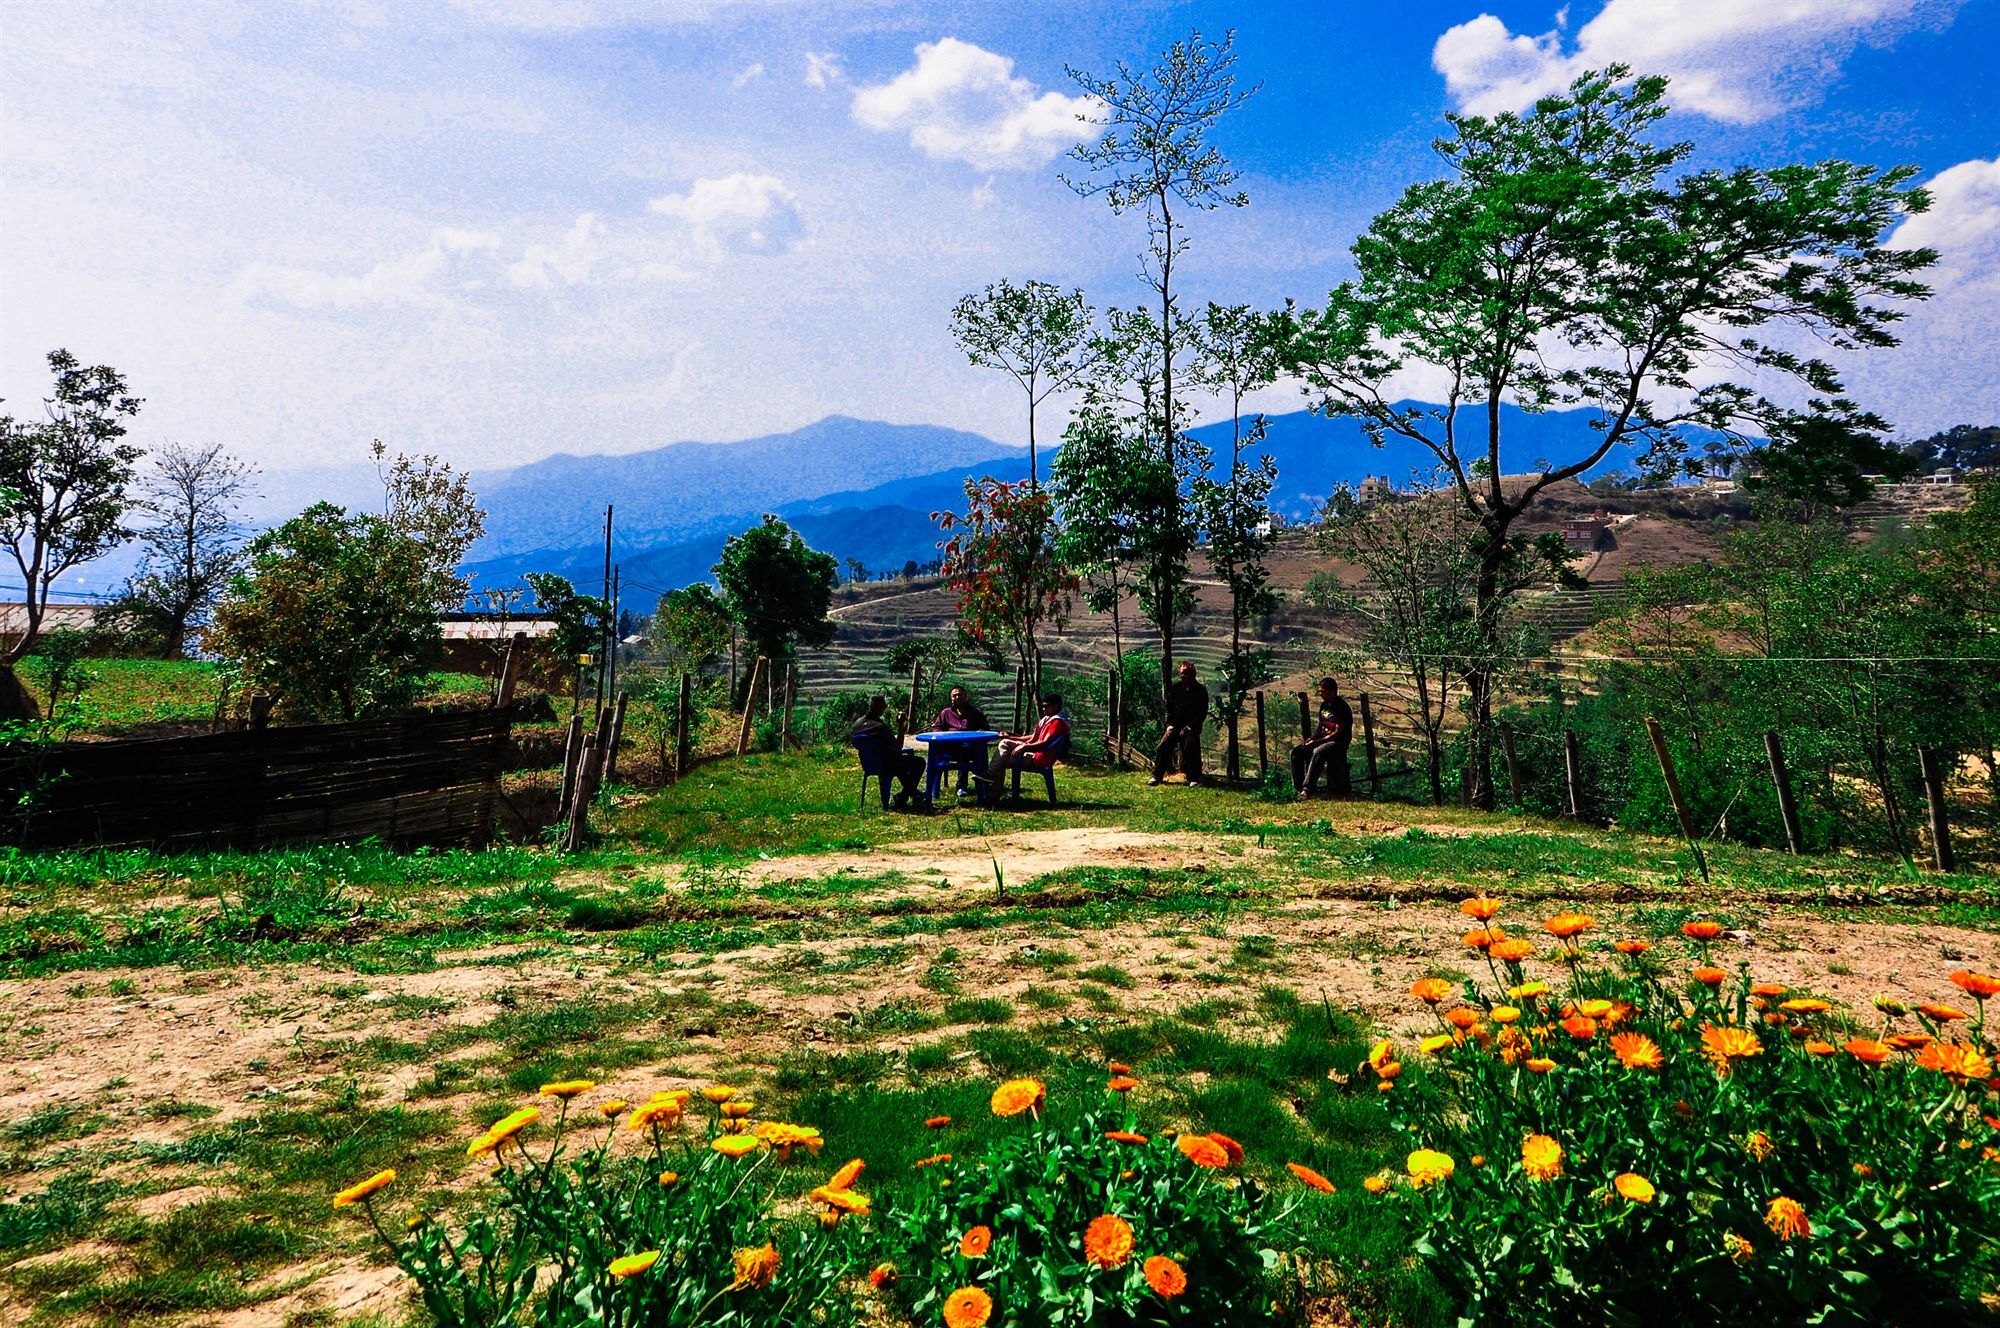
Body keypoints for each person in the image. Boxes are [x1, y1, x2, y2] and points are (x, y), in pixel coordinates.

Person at [983, 693, 1069, 796]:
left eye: (1047, 706)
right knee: (1005, 743)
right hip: (1034, 750)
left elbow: (1045, 743)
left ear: (1056, 706)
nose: (1043, 709)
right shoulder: (1046, 720)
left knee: (1002, 759)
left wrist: (1025, 747)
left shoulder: (1057, 722)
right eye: (1043, 706)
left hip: (1040, 756)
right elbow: (1033, 737)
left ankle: (992, 787)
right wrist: (1011, 737)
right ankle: (991, 781)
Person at [851, 695, 927, 809]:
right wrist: (900, 724)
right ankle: (904, 796)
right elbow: (898, 746)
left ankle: (912, 795)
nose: (886, 707)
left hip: (868, 765)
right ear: (878, 707)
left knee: (900, 764)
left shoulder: (857, 724)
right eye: (884, 705)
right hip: (886, 765)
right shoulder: (879, 727)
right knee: (919, 762)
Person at [1292, 676, 1353, 798]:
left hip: (1338, 741)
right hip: (1323, 739)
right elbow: (1321, 725)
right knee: (1297, 752)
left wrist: (1317, 742)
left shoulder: (1342, 707)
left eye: (1323, 691)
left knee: (1318, 751)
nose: (1320, 694)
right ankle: (1297, 786)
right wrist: (1311, 739)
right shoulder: (1324, 705)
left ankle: (1308, 788)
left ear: (1332, 691)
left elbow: (1337, 732)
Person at [1150, 660, 1210, 785]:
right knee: (1163, 745)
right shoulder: (1176, 689)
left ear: (1193, 674)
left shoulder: (1200, 691)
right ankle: (1157, 776)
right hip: (1175, 725)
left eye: (1186, 673)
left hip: (1191, 727)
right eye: (1182, 673)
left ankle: (1193, 777)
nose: (1183, 676)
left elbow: (1201, 713)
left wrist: (1189, 727)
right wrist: (1169, 725)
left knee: (1190, 745)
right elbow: (1169, 708)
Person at [930, 685, 990, 794]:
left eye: (960, 694)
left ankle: (965, 786)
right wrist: (943, 735)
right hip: (950, 747)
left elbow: (985, 728)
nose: (957, 697)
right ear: (951, 698)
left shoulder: (975, 713)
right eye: (954, 695)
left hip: (970, 748)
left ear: (966, 696)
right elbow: (936, 727)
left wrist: (979, 732)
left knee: (966, 749)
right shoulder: (945, 713)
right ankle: (955, 787)